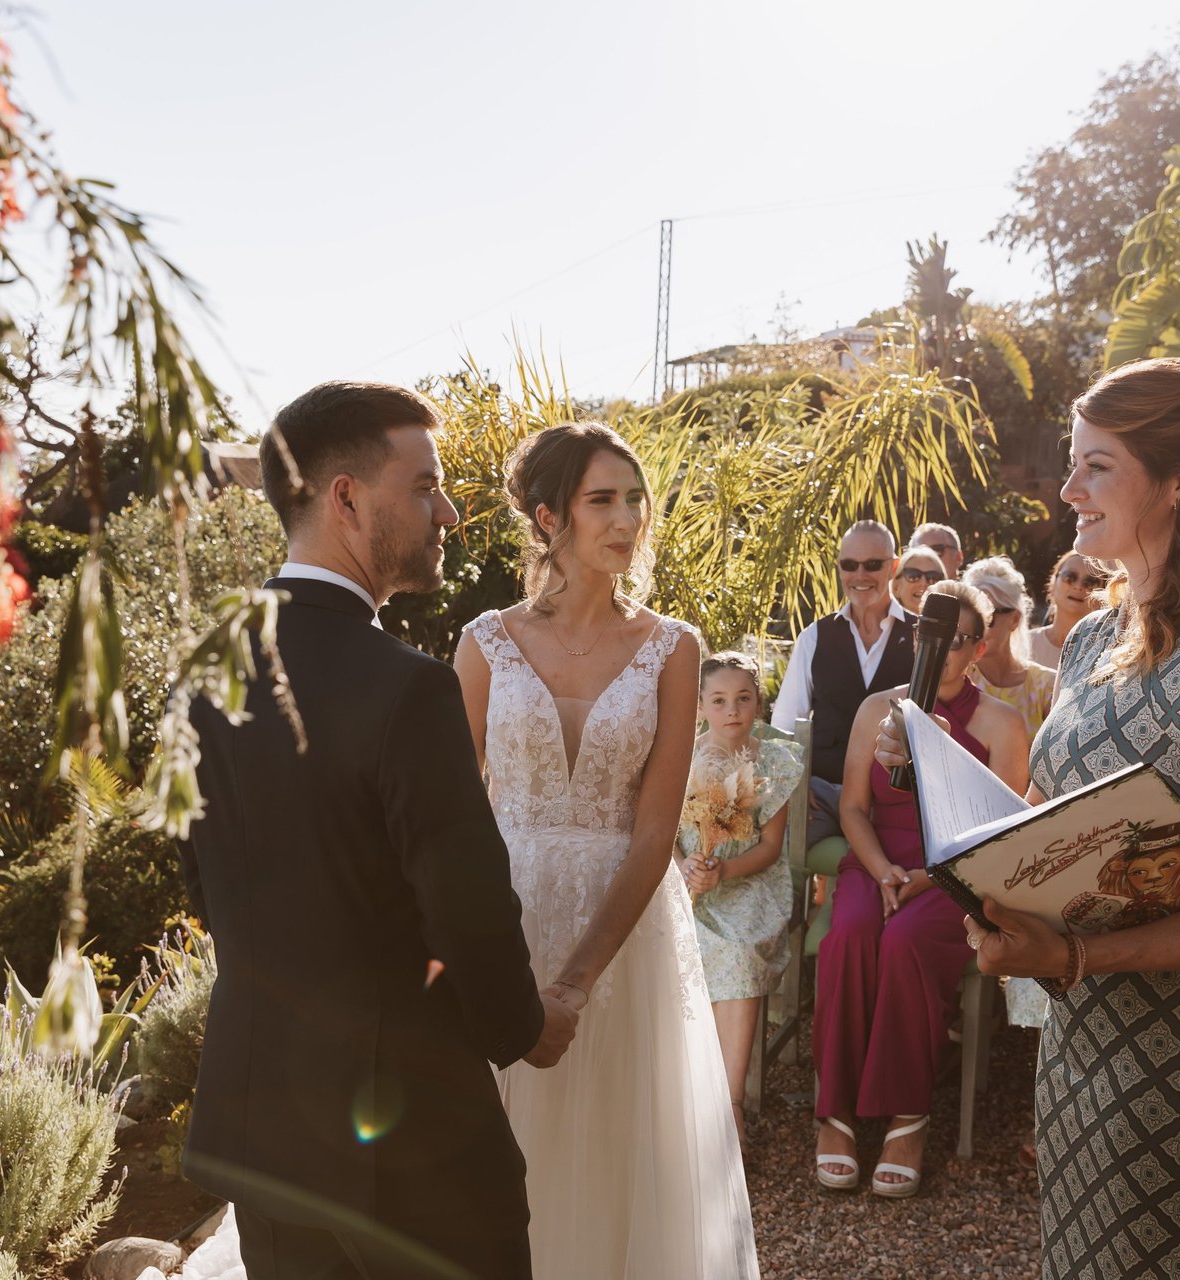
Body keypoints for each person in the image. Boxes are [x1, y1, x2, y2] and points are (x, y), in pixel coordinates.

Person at [875, 356, 1180, 1278]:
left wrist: (1068, 958)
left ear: (1178, 483)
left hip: (1179, 1069)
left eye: (1095, 467)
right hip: (1078, 1039)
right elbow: (1053, 814)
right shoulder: (1099, 635)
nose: (1067, 490)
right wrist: (952, 824)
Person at [177, 382, 580, 1280]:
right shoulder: (408, 687)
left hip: (261, 1131)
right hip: (411, 1141)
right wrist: (525, 1026)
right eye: (426, 486)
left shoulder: (201, 675)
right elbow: (466, 905)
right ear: (346, 498)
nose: (448, 512)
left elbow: (208, 886)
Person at [454, 423, 759, 1279]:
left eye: (634, 499)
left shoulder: (674, 646)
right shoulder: (484, 643)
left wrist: (576, 981)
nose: (626, 519)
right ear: (550, 517)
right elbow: (448, 810)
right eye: (602, 501)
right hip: (502, 916)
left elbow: (656, 833)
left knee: (619, 1156)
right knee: (495, 1148)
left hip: (624, 941)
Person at [811, 580, 1029, 1198]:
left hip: (954, 874)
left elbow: (999, 831)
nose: (947, 652)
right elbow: (853, 808)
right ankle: (836, 1114)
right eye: (934, 638)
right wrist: (881, 869)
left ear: (982, 645)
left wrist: (932, 875)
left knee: (905, 940)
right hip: (877, 861)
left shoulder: (1001, 724)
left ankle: (908, 1117)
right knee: (848, 933)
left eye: (960, 641)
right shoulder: (875, 709)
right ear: (915, 638)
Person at [677, 651, 807, 1146]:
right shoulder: (681, 758)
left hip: (749, 882)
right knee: (677, 949)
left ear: (758, 702)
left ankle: (728, 1104)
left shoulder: (772, 761)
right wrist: (686, 866)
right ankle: (686, 1096)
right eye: (719, 700)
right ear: (701, 706)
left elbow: (771, 848)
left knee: (733, 951)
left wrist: (724, 870)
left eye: (743, 698)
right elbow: (664, 834)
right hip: (686, 880)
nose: (732, 709)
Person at [769, 520, 914, 843]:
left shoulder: (921, 638)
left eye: (872, 565)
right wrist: (795, 783)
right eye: (850, 565)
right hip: (821, 797)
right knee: (773, 848)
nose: (859, 576)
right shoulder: (814, 637)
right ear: (839, 568)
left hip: (893, 805)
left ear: (893, 567)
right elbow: (783, 728)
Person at [962, 556, 1059, 738]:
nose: (976, 629)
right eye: (973, 617)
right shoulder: (957, 680)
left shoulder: (1046, 686)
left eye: (988, 618)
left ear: (1014, 619)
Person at [1028, 548, 1112, 669]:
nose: (1078, 587)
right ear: (1052, 585)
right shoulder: (1024, 644)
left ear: (1102, 596)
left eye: (1090, 582)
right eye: (1070, 577)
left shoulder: (1107, 655)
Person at [890, 544, 948, 619]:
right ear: (896, 587)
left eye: (933, 577)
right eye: (913, 576)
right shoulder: (881, 628)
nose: (923, 583)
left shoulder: (958, 628)